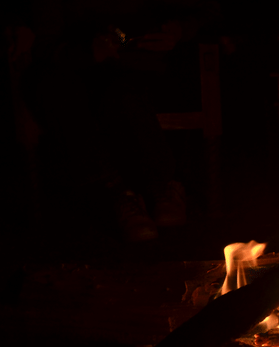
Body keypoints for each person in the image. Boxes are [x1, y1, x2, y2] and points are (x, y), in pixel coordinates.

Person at [23, 0, 219, 241]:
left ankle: (160, 186)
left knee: (125, 88)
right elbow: (45, 42)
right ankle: (122, 192)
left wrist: (180, 29)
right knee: (67, 88)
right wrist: (87, 50)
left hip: (153, 62)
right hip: (81, 65)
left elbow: (210, 12)